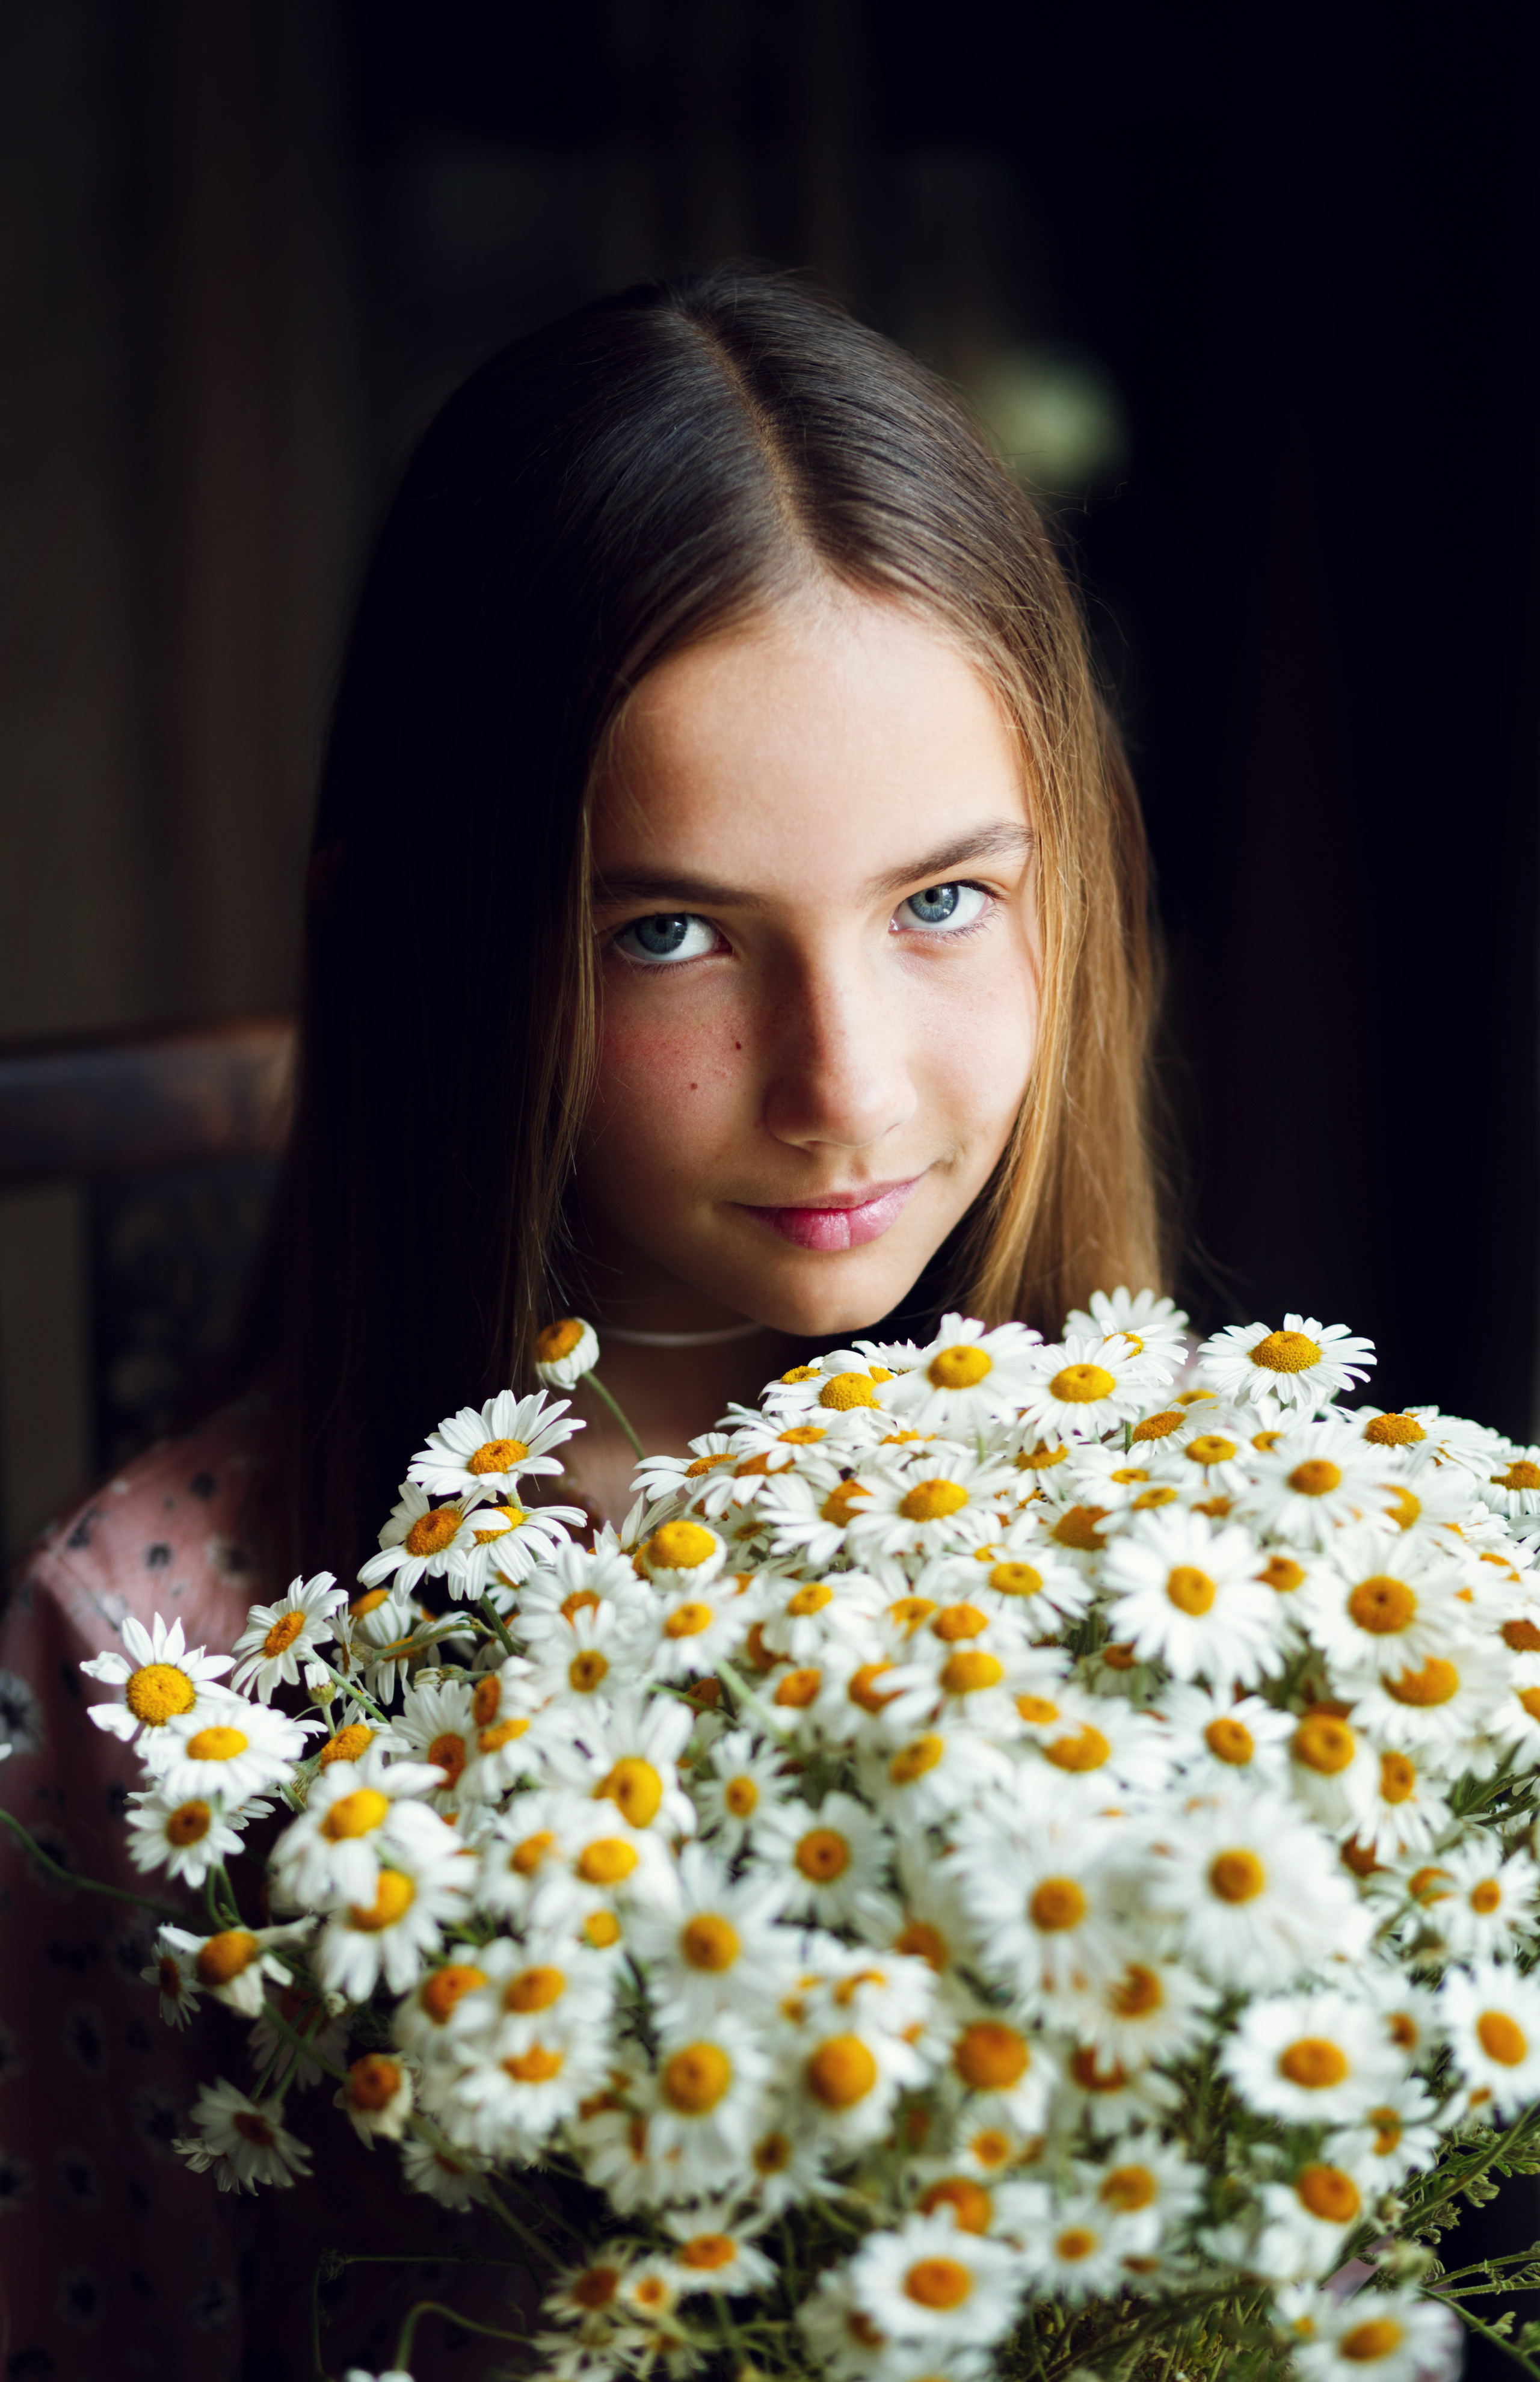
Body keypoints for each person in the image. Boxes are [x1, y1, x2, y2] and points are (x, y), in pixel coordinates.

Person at [0, 266, 1163, 2377]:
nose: (849, 1085)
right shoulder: (150, 1655)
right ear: (442, 945)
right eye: (671, 934)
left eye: (939, 901)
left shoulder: (1199, 1527)